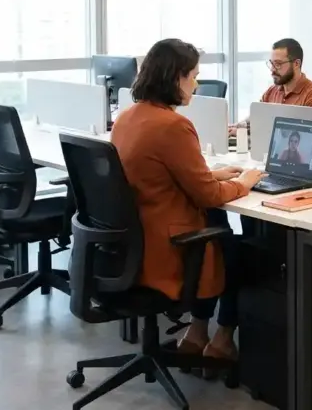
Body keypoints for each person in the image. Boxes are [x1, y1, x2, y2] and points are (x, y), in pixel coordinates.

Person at [111, 38, 266, 374]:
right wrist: (245, 182)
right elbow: (208, 196)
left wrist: (213, 174)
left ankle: (196, 334)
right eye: (193, 75)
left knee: (216, 227)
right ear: (175, 78)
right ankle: (222, 339)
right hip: (165, 250)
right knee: (238, 250)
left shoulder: (127, 118)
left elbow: (161, 175)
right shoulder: (174, 126)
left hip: (131, 244)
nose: (196, 83)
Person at [229, 38, 312, 134]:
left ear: (296, 64)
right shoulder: (272, 91)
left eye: (278, 64)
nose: (272, 69)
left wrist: (246, 132)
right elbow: (256, 116)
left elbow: (304, 137)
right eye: (271, 63)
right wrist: (237, 127)